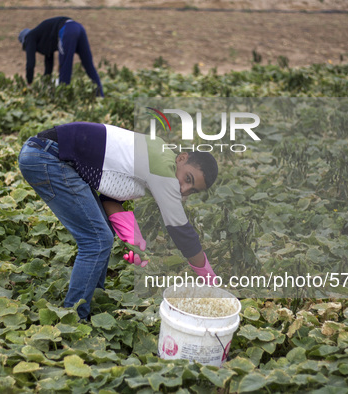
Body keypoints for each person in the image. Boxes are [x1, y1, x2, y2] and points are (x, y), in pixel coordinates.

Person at [18, 122, 218, 320]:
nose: (184, 189)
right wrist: (208, 276)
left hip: (46, 153)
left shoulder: (157, 157)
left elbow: (110, 197)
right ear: (182, 158)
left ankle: (94, 298)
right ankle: (74, 318)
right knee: (97, 240)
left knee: (103, 233)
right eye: (188, 179)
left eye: (192, 190)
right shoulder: (163, 167)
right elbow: (181, 231)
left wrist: (132, 236)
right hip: (48, 156)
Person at [18, 17, 104, 96]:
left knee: (65, 66)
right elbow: (49, 62)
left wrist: (29, 82)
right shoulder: (43, 37)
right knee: (88, 65)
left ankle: (64, 99)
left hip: (67, 29)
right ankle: (100, 95)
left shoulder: (29, 37)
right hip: (78, 27)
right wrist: (46, 81)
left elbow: (30, 63)